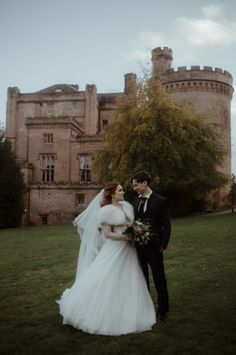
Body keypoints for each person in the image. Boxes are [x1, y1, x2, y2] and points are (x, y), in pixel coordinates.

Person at [57, 182, 156, 335]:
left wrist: (137, 232)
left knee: (128, 278)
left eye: (122, 189)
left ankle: (129, 310)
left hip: (129, 251)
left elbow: (132, 224)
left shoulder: (128, 207)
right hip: (116, 248)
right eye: (120, 190)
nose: (123, 192)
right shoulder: (105, 211)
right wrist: (126, 237)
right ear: (112, 194)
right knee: (107, 276)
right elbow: (107, 234)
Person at [131, 171, 171, 322]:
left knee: (159, 277)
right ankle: (145, 307)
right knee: (142, 278)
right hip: (137, 247)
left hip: (154, 246)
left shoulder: (160, 201)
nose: (134, 188)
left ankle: (163, 309)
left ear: (145, 183)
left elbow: (166, 224)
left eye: (136, 185)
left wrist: (163, 244)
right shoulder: (135, 201)